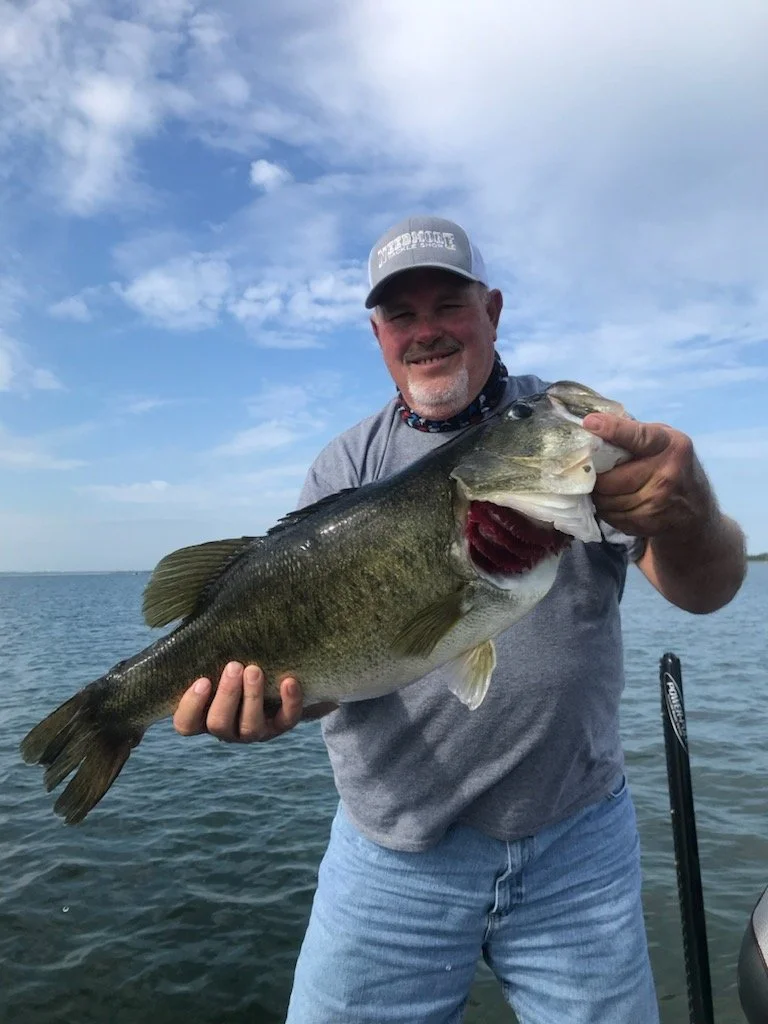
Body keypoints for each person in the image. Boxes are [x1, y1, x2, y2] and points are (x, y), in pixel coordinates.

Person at [173, 216, 746, 1023]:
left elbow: (709, 588)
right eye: (402, 316)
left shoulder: (565, 434)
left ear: (494, 311)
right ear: (377, 335)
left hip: (577, 847)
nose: (426, 331)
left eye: (449, 303)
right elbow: (336, 672)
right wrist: (271, 707)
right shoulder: (345, 468)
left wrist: (687, 514)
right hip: (391, 856)